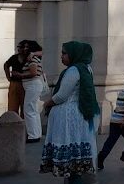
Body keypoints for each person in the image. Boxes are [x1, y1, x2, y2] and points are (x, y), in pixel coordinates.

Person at [40, 41, 99, 184]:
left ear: (74, 54)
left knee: (71, 153)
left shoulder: (73, 70)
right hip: (78, 116)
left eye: (64, 53)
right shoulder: (86, 68)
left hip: (69, 117)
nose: (61, 56)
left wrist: (45, 104)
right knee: (76, 153)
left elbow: (61, 96)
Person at [98, 74, 124, 169]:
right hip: (123, 122)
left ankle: (101, 157)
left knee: (111, 140)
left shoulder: (122, 92)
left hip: (114, 120)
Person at [18, 40, 44, 143]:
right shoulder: (33, 57)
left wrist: (20, 75)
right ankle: (36, 134)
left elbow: (33, 73)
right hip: (33, 86)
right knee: (34, 110)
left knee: (29, 110)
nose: (25, 49)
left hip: (32, 85)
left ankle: (33, 135)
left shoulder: (32, 58)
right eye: (24, 47)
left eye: (27, 47)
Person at [4, 40, 28, 117]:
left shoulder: (28, 58)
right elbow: (6, 65)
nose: (19, 49)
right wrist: (8, 77)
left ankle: (23, 125)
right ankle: (13, 125)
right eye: (19, 47)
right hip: (14, 83)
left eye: (21, 47)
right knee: (12, 107)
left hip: (25, 84)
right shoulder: (14, 57)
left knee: (25, 107)